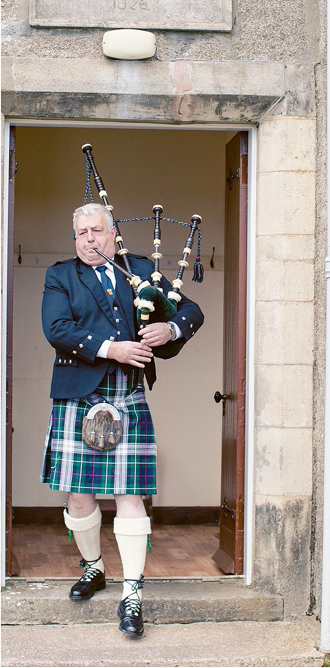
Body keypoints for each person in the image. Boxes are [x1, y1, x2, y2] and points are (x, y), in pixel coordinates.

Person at [40, 203, 204, 637]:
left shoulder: (140, 270)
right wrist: (111, 348)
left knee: (129, 495)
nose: (89, 239)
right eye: (81, 233)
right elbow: (55, 327)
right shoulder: (60, 275)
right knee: (79, 496)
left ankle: (133, 593)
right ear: (74, 237)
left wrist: (170, 331)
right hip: (79, 393)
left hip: (127, 395)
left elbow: (190, 311)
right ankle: (94, 568)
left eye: (96, 230)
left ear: (113, 232)